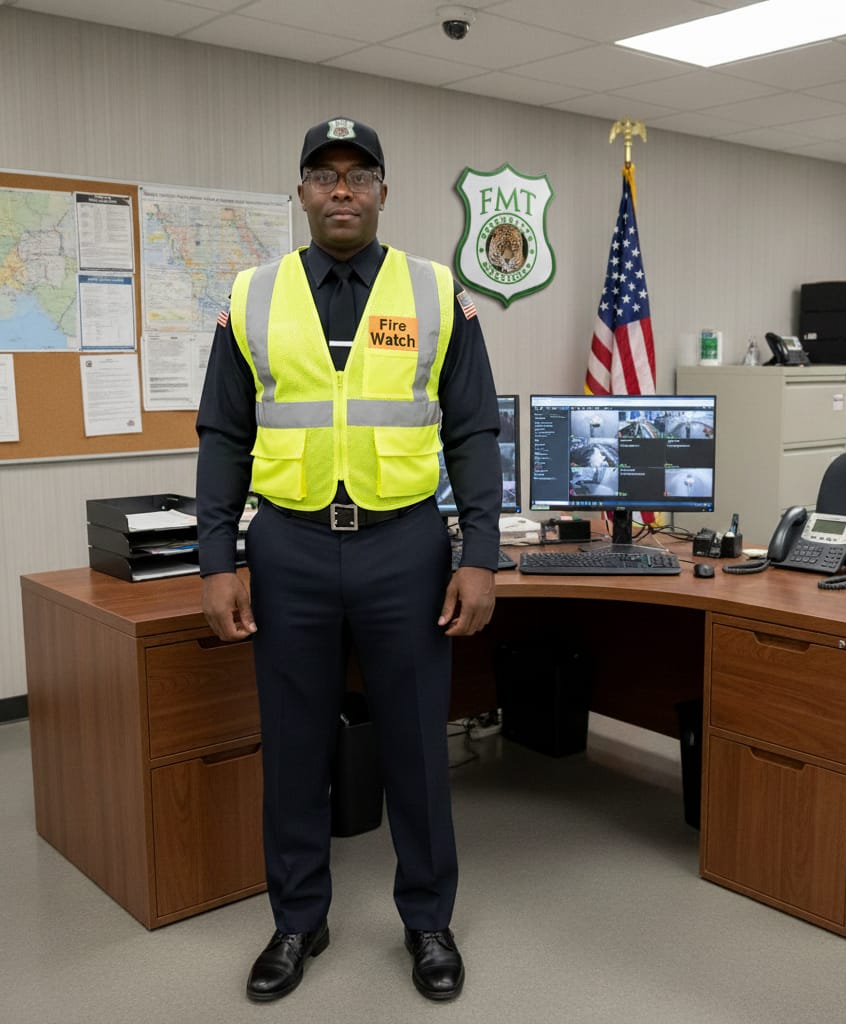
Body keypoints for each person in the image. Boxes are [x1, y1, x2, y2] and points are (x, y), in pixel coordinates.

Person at [195, 116, 502, 1005]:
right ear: (301, 192)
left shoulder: (437, 294)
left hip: (403, 544)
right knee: (294, 749)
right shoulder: (253, 294)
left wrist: (477, 551)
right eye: (323, 175)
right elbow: (223, 433)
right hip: (286, 546)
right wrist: (218, 557)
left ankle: (427, 919)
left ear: (382, 191)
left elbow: (474, 430)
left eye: (358, 173)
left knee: (414, 742)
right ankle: (297, 919)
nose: (341, 189)